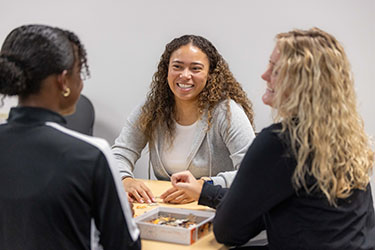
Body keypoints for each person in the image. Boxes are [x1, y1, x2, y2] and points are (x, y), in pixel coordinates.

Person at [171, 27, 375, 249]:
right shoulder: (344, 134)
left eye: (276, 70)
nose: (264, 75)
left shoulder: (280, 142)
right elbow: (273, 203)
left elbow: (229, 231)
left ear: (302, 84)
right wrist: (205, 191)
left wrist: (214, 195)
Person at [0, 24, 141, 250]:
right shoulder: (91, 154)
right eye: (80, 72)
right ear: (63, 81)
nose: (81, 83)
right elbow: (125, 245)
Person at [112, 35, 256, 204]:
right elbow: (120, 153)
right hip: (165, 209)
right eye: (177, 67)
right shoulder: (152, 108)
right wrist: (125, 180)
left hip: (215, 211)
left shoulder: (227, 113)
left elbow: (252, 171)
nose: (185, 75)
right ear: (167, 70)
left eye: (195, 68)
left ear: (210, 74)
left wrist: (204, 187)